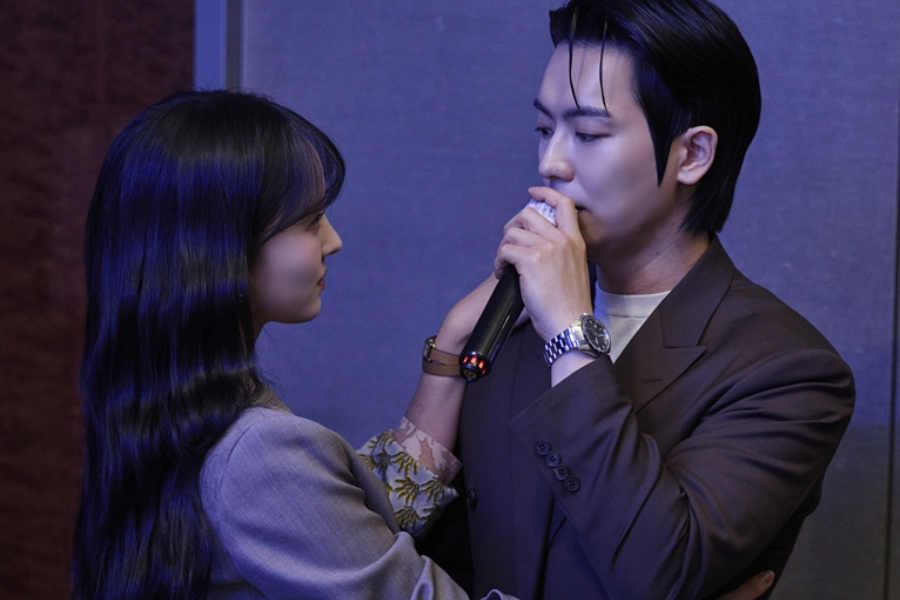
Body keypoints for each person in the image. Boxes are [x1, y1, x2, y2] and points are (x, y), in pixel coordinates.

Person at [414, 0, 855, 599]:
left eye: (588, 134)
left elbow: (659, 569)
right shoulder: (509, 322)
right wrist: (448, 350)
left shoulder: (786, 370)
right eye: (544, 129)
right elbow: (393, 550)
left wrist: (570, 333)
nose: (551, 162)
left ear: (693, 154)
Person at [71, 89, 518, 600]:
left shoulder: (161, 415)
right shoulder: (258, 456)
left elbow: (342, 531)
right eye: (310, 221)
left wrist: (453, 343)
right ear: (222, 248)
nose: (333, 240)